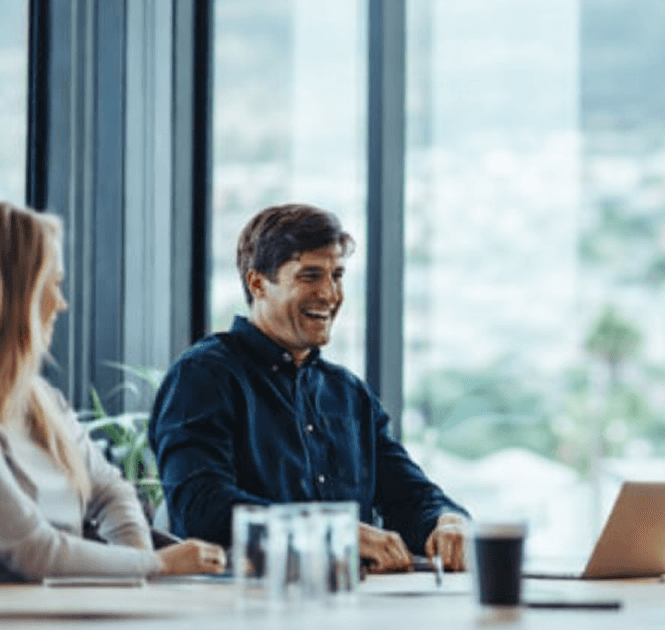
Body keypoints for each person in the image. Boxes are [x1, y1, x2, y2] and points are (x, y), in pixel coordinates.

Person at [149, 203, 470, 572]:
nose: (330, 294)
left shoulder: (348, 394)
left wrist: (447, 520)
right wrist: (333, 533)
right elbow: (201, 507)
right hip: (241, 608)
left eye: (337, 275)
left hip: (350, 603)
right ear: (258, 284)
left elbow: (408, 494)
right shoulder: (203, 376)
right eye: (310, 276)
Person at [0, 201, 225, 581]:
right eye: (51, 284)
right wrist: (155, 564)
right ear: (15, 296)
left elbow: (109, 491)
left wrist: (134, 563)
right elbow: (34, 551)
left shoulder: (41, 402)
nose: (61, 302)